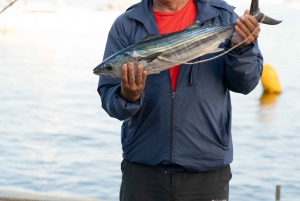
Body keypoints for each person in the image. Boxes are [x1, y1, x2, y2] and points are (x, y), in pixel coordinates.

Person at [97, 0, 262, 200]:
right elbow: (110, 101)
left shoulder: (223, 17)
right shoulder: (127, 24)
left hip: (207, 172)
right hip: (143, 171)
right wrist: (128, 96)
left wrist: (241, 49)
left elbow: (246, 83)